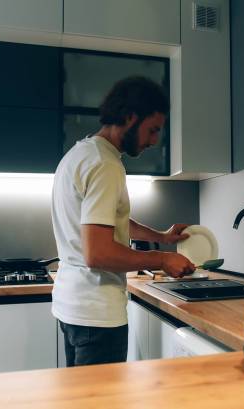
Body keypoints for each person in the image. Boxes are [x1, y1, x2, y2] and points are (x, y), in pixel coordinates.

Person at [51, 76, 195, 367]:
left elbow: (108, 221)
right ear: (130, 117)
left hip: (73, 308)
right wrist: (162, 259)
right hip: (97, 316)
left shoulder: (82, 153)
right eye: (152, 130)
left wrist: (162, 237)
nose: (154, 141)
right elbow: (98, 253)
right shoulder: (106, 165)